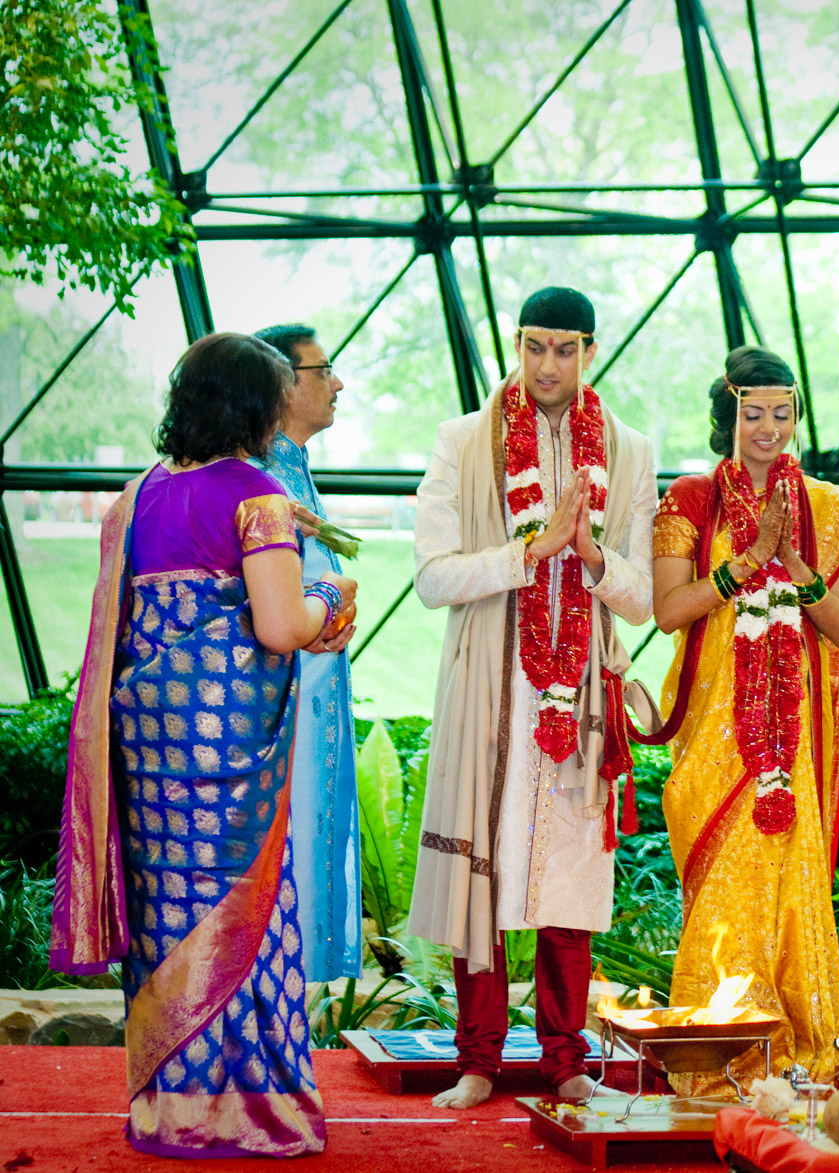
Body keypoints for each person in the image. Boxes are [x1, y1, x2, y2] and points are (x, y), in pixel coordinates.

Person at [51, 333, 357, 1156]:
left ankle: (168, 1109)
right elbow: (279, 625)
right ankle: (254, 1116)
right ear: (255, 409)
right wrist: (330, 594)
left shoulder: (135, 497)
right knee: (247, 918)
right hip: (229, 770)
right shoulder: (256, 497)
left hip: (148, 760)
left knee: (167, 915)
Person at [407, 287, 656, 1109]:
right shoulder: (461, 442)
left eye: (565, 349)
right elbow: (433, 576)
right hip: (491, 685)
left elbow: (644, 594)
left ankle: (564, 1059)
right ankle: (477, 1059)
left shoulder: (629, 451)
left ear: (590, 351)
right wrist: (529, 550)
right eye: (535, 346)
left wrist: (586, 556)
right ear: (516, 345)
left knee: (570, 881)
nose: (548, 365)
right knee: (487, 867)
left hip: (581, 691)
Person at [648, 345, 839, 1096]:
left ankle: (800, 1041)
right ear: (727, 417)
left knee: (788, 880)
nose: (768, 428)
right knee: (724, 885)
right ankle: (719, 1048)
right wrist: (745, 563)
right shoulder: (690, 498)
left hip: (795, 736)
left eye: (782, 413)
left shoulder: (834, 511)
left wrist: (796, 567)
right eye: (753, 414)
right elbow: (669, 611)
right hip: (717, 729)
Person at [251, 324, 361, 984]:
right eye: (325, 371)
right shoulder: (261, 478)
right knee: (287, 848)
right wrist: (330, 598)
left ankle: (301, 997)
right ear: (284, 385)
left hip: (313, 691)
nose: (337, 383)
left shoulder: (291, 466)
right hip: (280, 702)